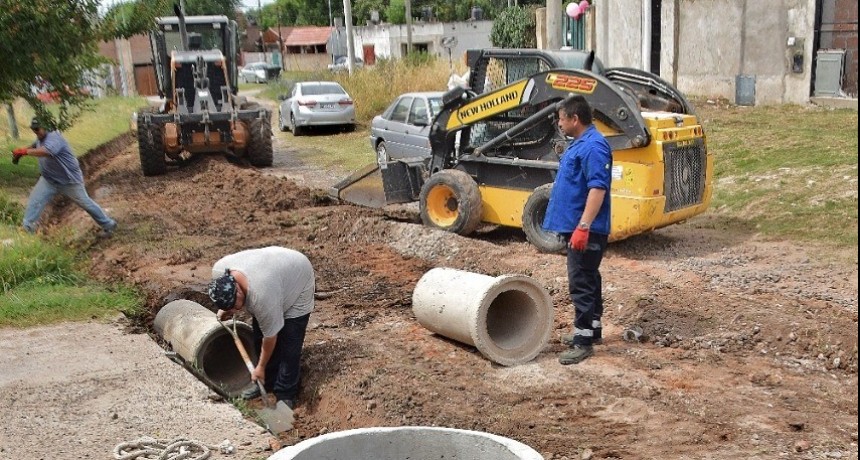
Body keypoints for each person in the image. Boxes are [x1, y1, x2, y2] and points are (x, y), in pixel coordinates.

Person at [542, 95, 612, 365]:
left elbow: (597, 188)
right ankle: (592, 330)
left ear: (575, 119)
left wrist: (583, 227)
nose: (559, 123)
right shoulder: (580, 144)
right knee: (589, 278)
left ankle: (583, 341)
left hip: (585, 229)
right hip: (579, 227)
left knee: (580, 282)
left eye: (561, 118)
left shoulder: (593, 147)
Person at [208, 246, 315, 409]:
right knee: (259, 334)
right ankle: (266, 382)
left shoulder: (262, 295)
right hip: (272, 271)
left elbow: (270, 337)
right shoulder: (219, 272)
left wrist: (260, 367)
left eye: (234, 306)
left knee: (290, 344)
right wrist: (226, 308)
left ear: (238, 291)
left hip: (297, 276)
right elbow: (264, 333)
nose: (235, 311)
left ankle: (285, 393)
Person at [12, 117, 117, 236]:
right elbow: (35, 146)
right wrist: (22, 152)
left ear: (46, 127)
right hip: (49, 180)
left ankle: (109, 224)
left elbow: (47, 151)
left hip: (69, 181)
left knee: (85, 203)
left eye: (37, 129)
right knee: (34, 201)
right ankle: (27, 230)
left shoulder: (54, 138)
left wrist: (24, 152)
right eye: (33, 129)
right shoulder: (41, 138)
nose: (36, 132)